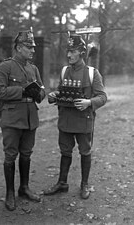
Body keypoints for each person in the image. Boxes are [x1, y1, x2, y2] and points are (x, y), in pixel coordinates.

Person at [43, 34, 107, 199]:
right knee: (65, 151)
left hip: (83, 121)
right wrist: (54, 94)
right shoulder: (65, 71)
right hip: (65, 119)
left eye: (73, 51)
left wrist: (88, 102)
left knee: (85, 151)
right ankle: (62, 183)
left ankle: (84, 184)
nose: (69, 55)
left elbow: (102, 97)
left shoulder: (93, 73)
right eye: (68, 51)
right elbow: (61, 90)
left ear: (82, 53)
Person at [0, 29, 45, 211]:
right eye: (29, 47)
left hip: (31, 118)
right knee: (10, 155)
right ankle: (9, 193)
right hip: (12, 119)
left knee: (27, 154)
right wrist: (22, 90)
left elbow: (41, 91)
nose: (32, 51)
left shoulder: (34, 68)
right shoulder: (6, 67)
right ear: (19, 47)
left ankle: (24, 188)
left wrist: (40, 93)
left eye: (33, 47)